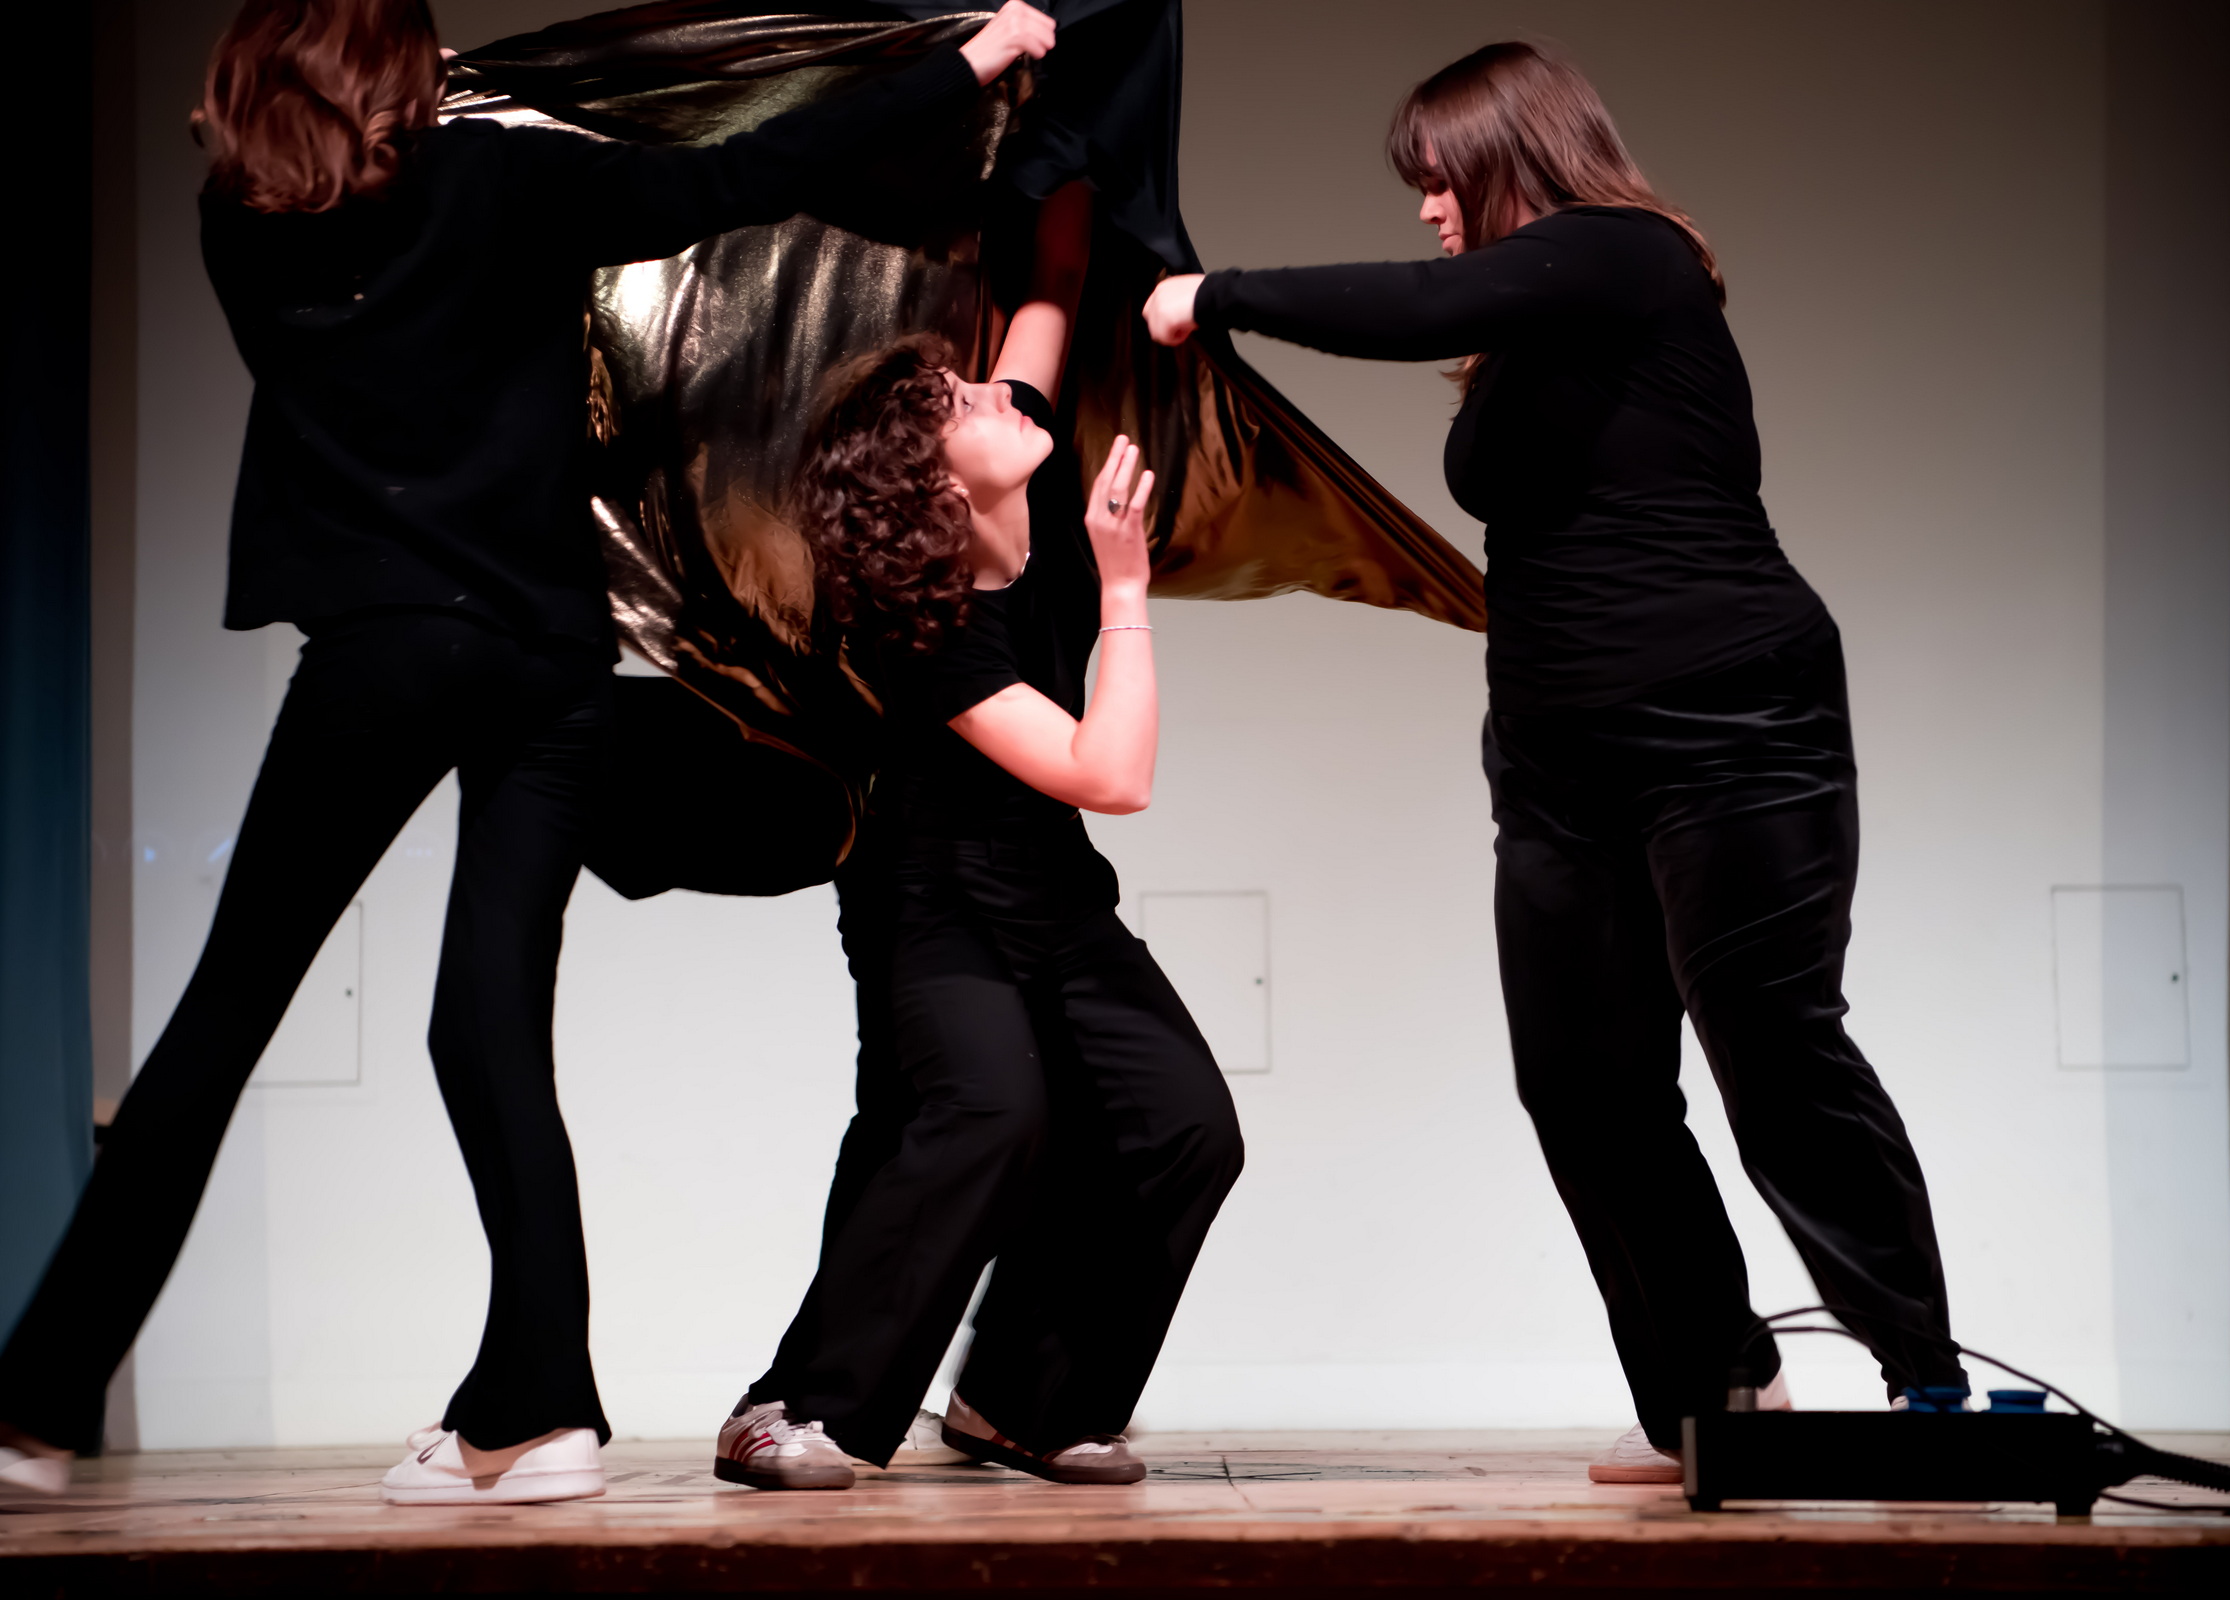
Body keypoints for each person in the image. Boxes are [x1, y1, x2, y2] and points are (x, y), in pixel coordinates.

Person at [0, 0, 1057, 1506]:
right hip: (544, 662)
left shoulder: (241, 225)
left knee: (227, 1016)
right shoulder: (505, 177)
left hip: (381, 652)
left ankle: (40, 1400)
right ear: (402, 64)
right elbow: (744, 172)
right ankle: (538, 1404)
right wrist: (965, 63)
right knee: (486, 1024)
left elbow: (373, 239)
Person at [1144, 40, 1967, 1483]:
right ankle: (1715, 1399)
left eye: (1438, 179)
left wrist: (1217, 296)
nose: (1426, 209)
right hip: (1555, 760)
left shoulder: (1632, 254)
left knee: (1775, 1054)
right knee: (1585, 1085)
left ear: (1509, 157)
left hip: (1730, 725)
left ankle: (1928, 1386)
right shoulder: (1534, 328)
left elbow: (1422, 305)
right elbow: (1459, 336)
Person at [713, 182, 1244, 1492]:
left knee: (1185, 1124)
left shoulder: (1017, 449)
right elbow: (1109, 774)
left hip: (1052, 899)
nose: (990, 390)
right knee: (990, 1115)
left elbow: (1049, 291)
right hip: (928, 904)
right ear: (930, 482)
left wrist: (1076, 143)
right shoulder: (924, 620)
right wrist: (1124, 586)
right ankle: (799, 1407)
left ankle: (1022, 1399)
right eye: (957, 400)